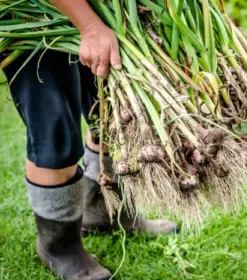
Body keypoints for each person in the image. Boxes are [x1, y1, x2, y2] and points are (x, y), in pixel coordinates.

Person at [2, 1, 177, 279]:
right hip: (26, 12)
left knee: (112, 102)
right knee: (55, 125)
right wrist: (90, 26)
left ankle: (104, 209)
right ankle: (59, 245)